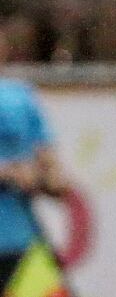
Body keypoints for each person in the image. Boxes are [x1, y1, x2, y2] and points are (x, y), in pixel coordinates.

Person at [0, 78, 69, 290]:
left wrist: (40, 178)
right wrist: (7, 172)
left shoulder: (19, 98)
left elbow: (57, 180)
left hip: (22, 246)